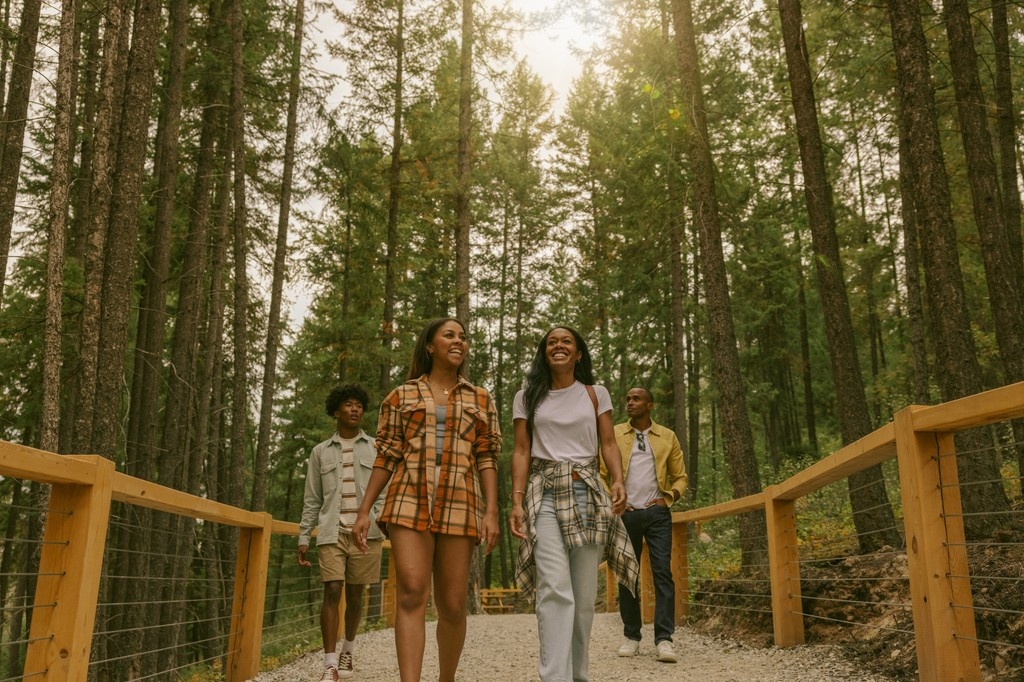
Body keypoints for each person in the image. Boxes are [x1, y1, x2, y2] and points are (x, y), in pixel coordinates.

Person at [352, 317, 501, 682]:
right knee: (411, 594)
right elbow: (386, 455)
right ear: (430, 346)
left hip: (460, 502)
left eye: (463, 337)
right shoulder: (401, 396)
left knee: (452, 604)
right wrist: (364, 510)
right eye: (449, 335)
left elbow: (487, 456)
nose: (459, 342)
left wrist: (492, 511)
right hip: (408, 499)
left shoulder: (480, 398)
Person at [509, 325, 639, 682]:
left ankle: (577, 675)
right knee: (554, 587)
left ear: (578, 353)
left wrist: (617, 481)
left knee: (583, 599)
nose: (559, 346)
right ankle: (555, 677)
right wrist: (516, 501)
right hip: (545, 492)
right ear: (545, 353)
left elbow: (609, 443)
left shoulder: (595, 394)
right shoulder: (527, 396)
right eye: (552, 342)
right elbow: (521, 451)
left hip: (587, 493)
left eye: (567, 341)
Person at [298, 384, 385, 681]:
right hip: (332, 532)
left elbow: (384, 491)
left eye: (359, 405)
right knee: (333, 589)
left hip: (366, 534)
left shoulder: (374, 447)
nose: (355, 409)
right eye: (348, 405)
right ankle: (330, 663)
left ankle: (348, 648)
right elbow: (312, 499)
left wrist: (378, 518)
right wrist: (303, 535)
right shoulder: (320, 452)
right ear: (336, 411)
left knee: (357, 594)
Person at [606, 387, 687, 663]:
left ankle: (664, 639)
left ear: (650, 405)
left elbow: (681, 477)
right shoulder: (615, 434)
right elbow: (601, 472)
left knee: (663, 573)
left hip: (657, 514)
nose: (630, 402)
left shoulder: (667, 437)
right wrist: (614, 499)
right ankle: (632, 636)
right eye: (627, 398)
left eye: (636, 399)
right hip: (625, 513)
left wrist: (668, 498)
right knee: (627, 575)